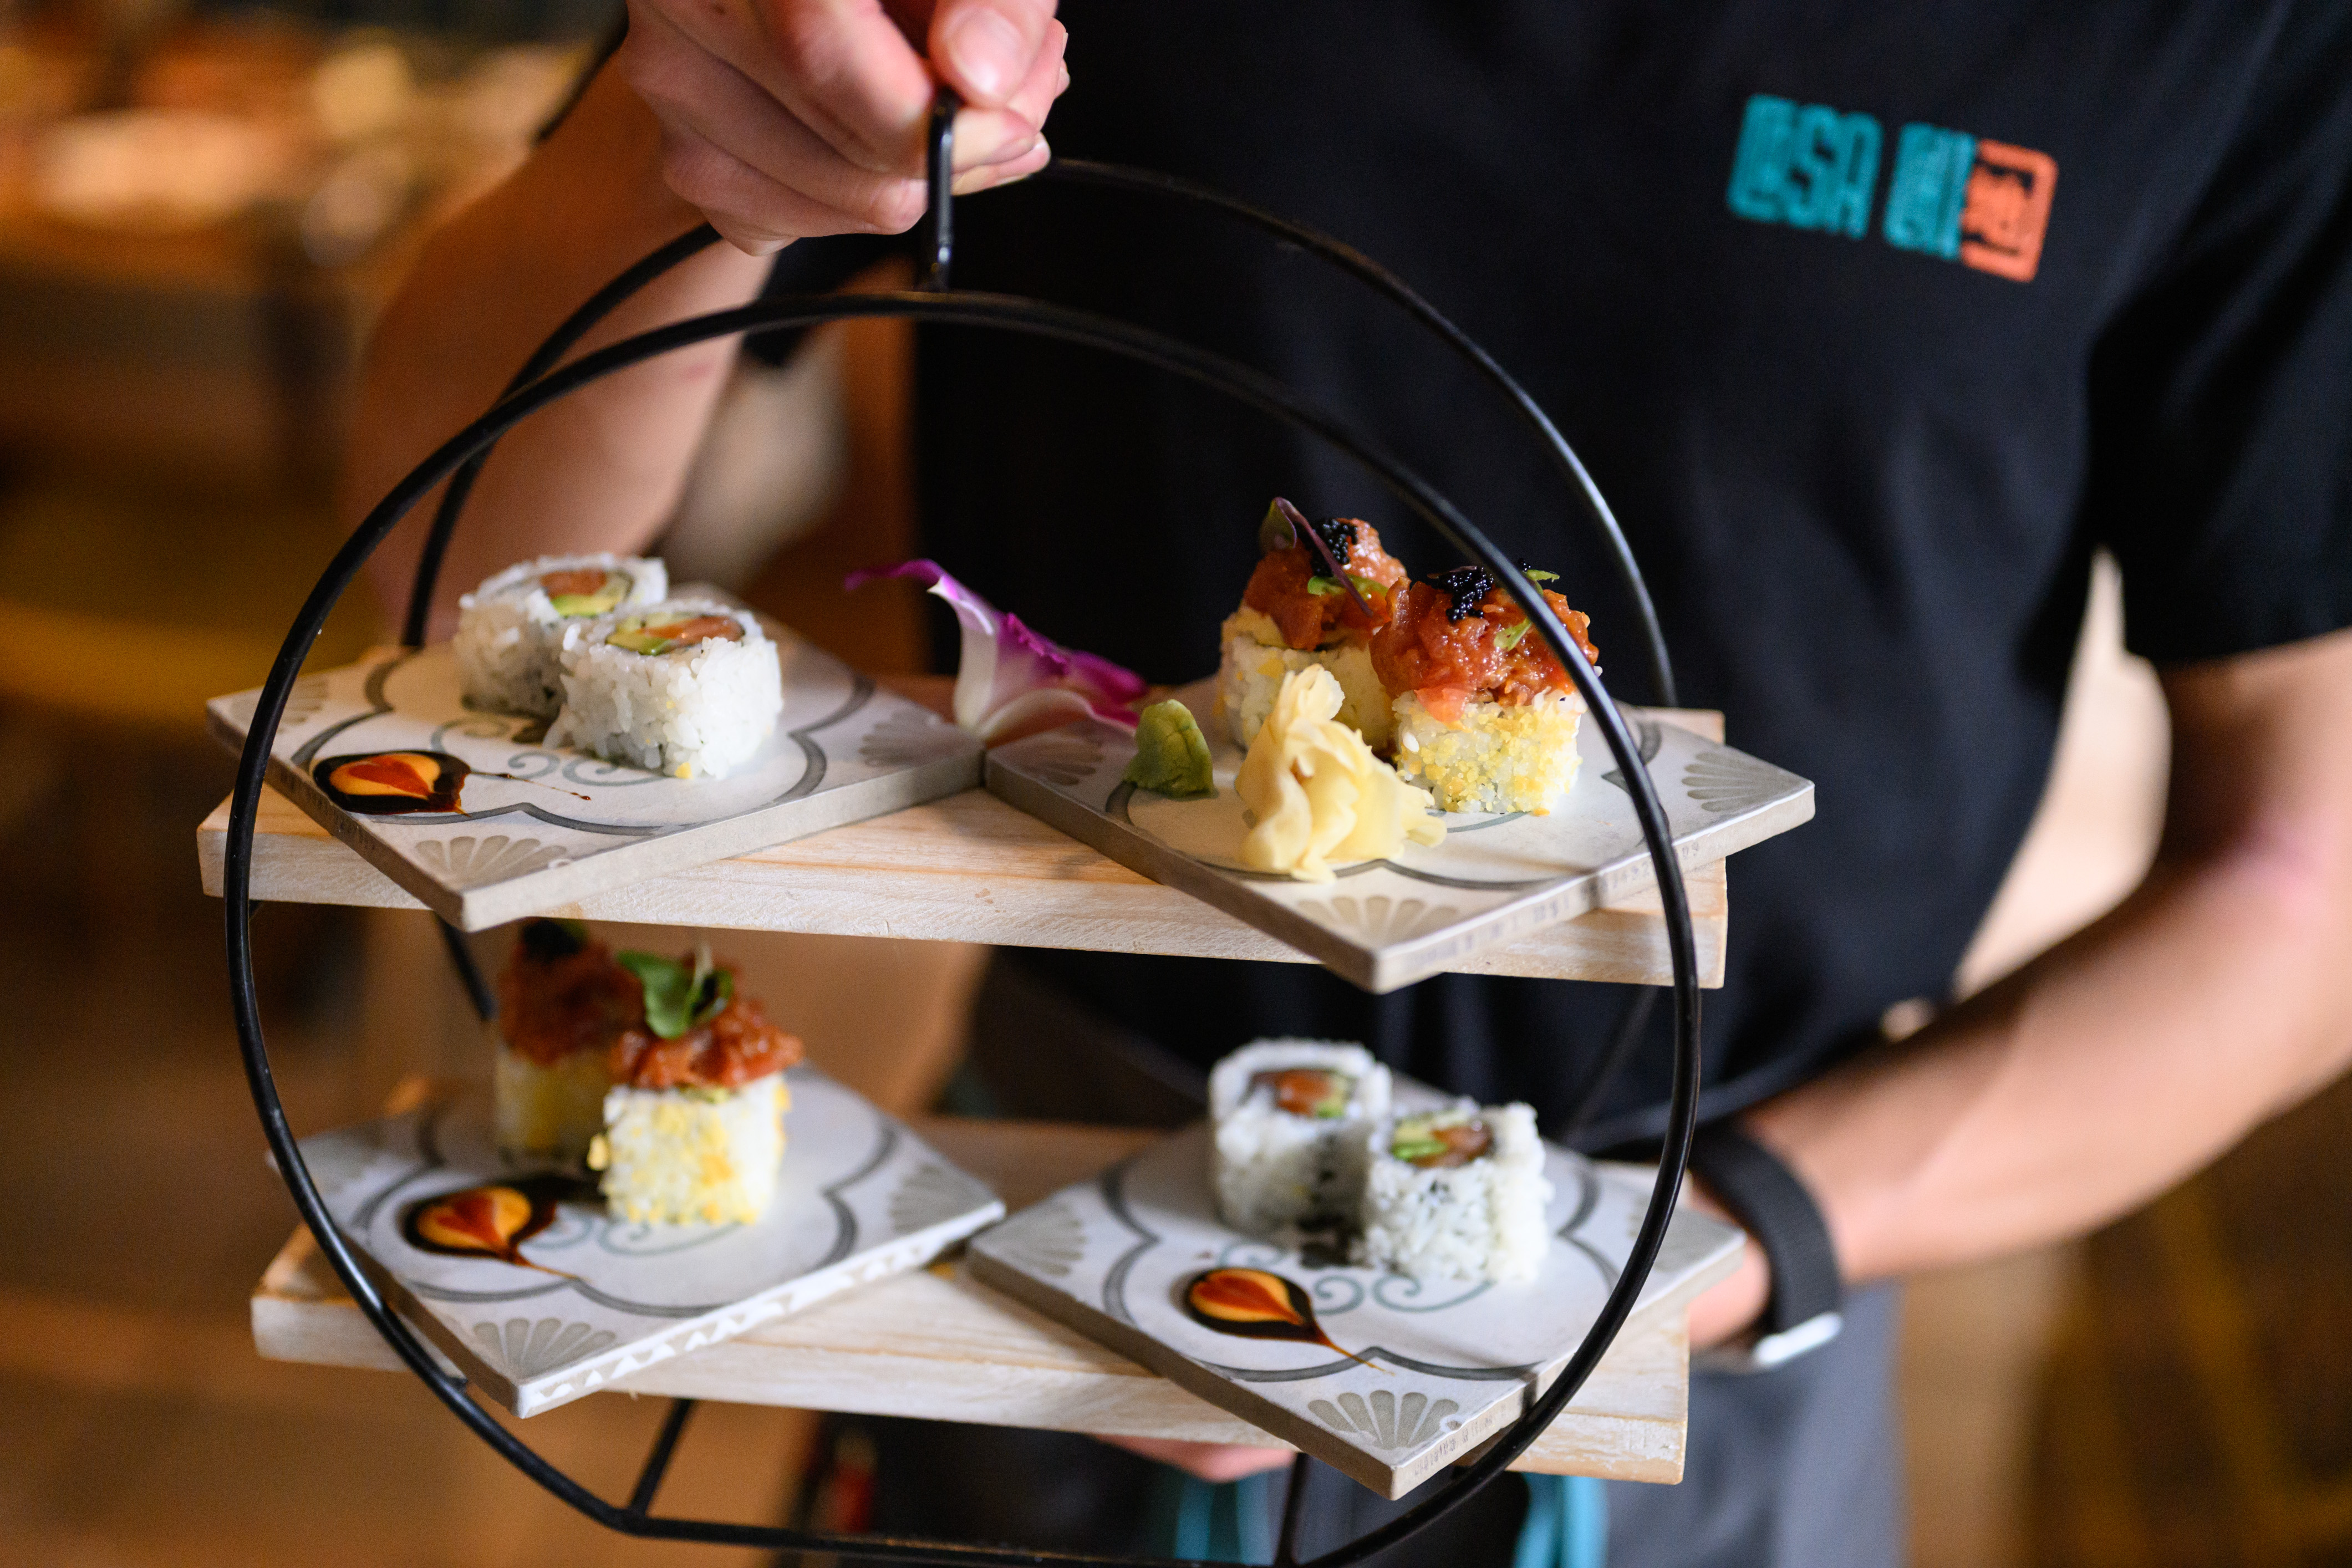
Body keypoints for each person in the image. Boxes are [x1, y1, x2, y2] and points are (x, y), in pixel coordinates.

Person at [348, 3, 2352, 1564]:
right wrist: (673, 140)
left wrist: (1713, 1244)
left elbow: (2306, 878)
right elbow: (430, 564)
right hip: (1045, 1250)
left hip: (1726, 1298)